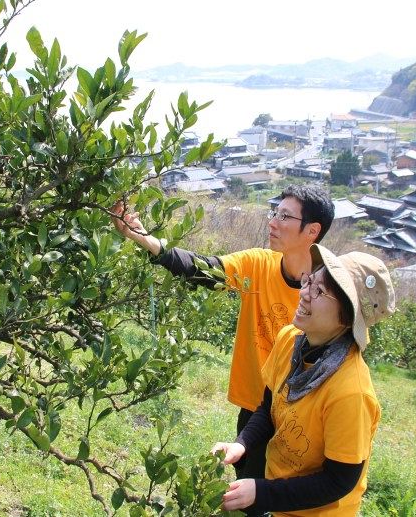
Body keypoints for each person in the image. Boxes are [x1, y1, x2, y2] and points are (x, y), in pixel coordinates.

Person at [112, 185, 335, 513]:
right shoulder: (258, 266)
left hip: (300, 419)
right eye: (275, 212)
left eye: (285, 216)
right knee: (249, 499)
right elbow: (201, 269)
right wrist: (142, 236)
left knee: (291, 500)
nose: (273, 222)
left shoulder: (329, 291)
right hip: (255, 410)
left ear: (312, 230)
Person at [211, 245, 395, 516]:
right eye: (310, 281)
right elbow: (269, 406)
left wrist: (262, 492)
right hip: (282, 502)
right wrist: (242, 443)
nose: (304, 293)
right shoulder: (290, 339)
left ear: (346, 318)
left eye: (319, 292)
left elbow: (339, 481)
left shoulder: (350, 392)